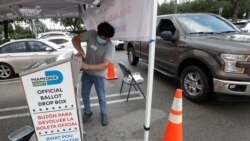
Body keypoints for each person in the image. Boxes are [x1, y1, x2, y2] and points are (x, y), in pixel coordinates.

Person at [72, 22, 115, 126]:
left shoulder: (110, 46)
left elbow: (105, 65)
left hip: (99, 75)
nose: (105, 39)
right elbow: (75, 39)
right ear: (98, 33)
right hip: (87, 74)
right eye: (104, 37)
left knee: (101, 96)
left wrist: (87, 66)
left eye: (107, 38)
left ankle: (104, 113)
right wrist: (81, 51)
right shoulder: (91, 34)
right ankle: (87, 112)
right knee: (85, 94)